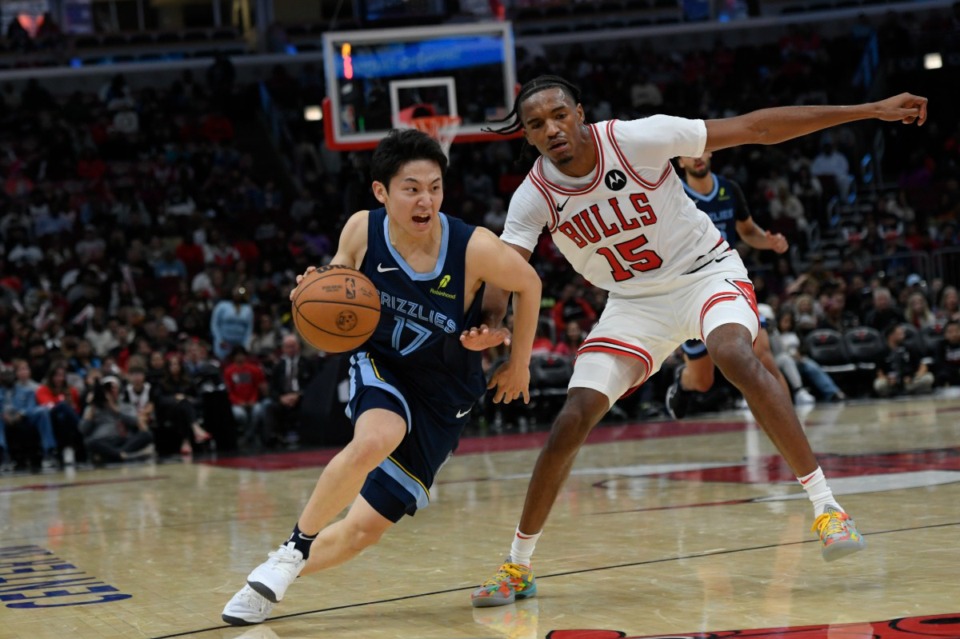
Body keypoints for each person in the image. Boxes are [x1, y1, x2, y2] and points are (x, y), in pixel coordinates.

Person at [464, 74, 926, 606]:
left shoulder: (637, 139)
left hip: (706, 273)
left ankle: (827, 509)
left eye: (559, 115)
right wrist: (494, 321)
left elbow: (756, 128)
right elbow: (505, 270)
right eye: (536, 124)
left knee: (732, 351)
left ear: (581, 113)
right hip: (633, 305)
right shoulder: (533, 196)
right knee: (572, 418)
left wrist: (869, 109)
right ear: (527, 136)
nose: (551, 129)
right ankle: (518, 567)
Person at [220, 128, 543, 626]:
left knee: (362, 532)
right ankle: (294, 547)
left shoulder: (472, 246)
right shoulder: (361, 231)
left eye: (434, 187)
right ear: (381, 192)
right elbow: (334, 286)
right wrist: (311, 289)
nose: (425, 200)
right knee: (378, 435)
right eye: (411, 187)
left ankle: (273, 575)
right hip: (384, 364)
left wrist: (515, 359)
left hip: (445, 392)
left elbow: (529, 282)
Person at [664, 150, 807, 418]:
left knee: (762, 354)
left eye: (701, 150)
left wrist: (769, 241)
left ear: (711, 152)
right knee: (702, 380)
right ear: (679, 161)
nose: (697, 157)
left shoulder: (729, 189)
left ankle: (790, 425)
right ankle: (682, 382)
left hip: (728, 282)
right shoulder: (672, 194)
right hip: (691, 290)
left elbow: (748, 231)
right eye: (689, 153)